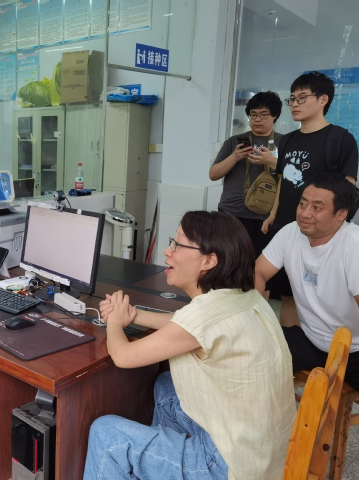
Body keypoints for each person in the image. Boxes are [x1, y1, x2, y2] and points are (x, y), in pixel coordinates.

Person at [84, 211, 295, 480]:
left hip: (231, 466)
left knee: (106, 435)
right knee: (165, 386)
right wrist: (134, 315)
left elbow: (123, 356)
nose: (167, 251)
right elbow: (186, 326)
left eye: (177, 244)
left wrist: (114, 322)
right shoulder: (244, 297)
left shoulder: (204, 316)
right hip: (264, 451)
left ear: (209, 260)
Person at [265, 71, 358, 326]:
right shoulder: (287, 140)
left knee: (320, 295)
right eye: (292, 99)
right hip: (286, 228)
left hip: (320, 235)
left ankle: (325, 342)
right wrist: (272, 215)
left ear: (323, 100)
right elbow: (283, 180)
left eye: (302, 98)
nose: (294, 104)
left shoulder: (340, 139)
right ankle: (292, 345)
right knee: (288, 295)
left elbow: (347, 189)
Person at [255, 173, 359, 390]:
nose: (305, 213)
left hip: (354, 350)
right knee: (247, 350)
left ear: (341, 214)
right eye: (303, 204)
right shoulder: (290, 232)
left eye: (317, 207)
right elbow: (258, 272)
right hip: (311, 340)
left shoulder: (353, 245)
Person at [209, 91, 283, 256]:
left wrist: (271, 161)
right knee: (228, 260)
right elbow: (213, 175)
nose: (257, 119)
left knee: (259, 262)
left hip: (266, 216)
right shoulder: (234, 142)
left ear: (275, 116)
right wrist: (235, 156)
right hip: (231, 213)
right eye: (253, 115)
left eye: (263, 115)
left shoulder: (284, 142)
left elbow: (294, 175)